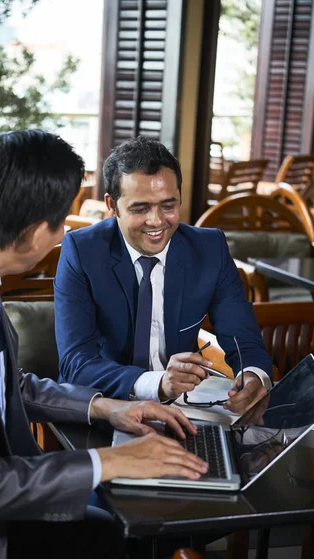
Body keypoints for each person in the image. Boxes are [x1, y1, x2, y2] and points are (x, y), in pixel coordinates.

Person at [0, 130, 208, 559]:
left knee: (106, 537)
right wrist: (108, 461)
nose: (64, 235)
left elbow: (6, 385)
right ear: (36, 232)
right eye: (60, 224)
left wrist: (105, 408)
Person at [55, 136, 273, 415]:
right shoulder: (81, 252)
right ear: (112, 205)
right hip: (102, 407)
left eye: (168, 206)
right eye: (140, 208)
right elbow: (76, 363)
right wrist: (157, 383)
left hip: (184, 408)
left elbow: (244, 339)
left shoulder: (210, 249)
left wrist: (254, 375)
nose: (157, 221)